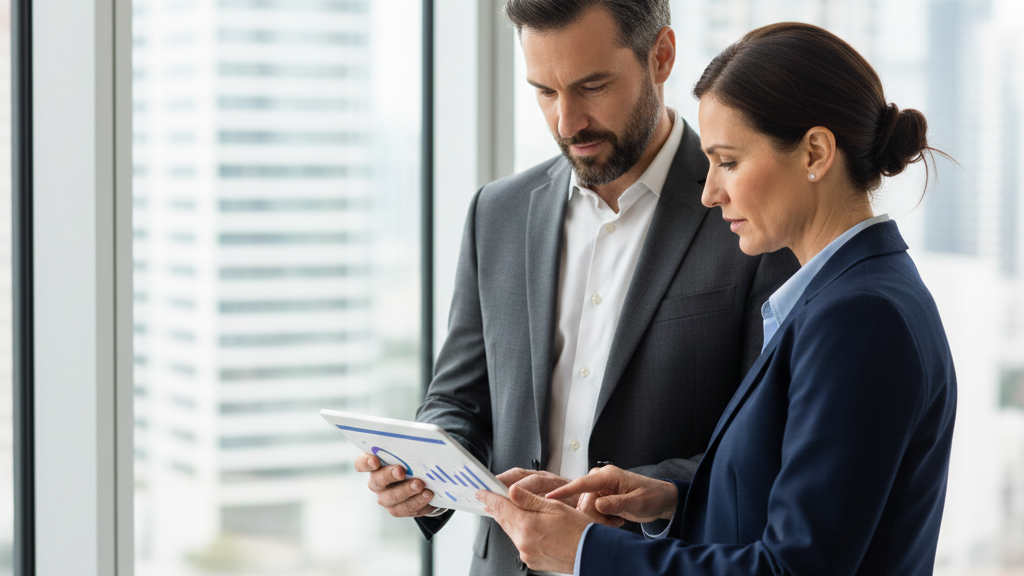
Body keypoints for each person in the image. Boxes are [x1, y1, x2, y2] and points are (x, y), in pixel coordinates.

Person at [477, 22, 958, 576]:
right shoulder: (843, 296)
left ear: (816, 153)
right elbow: (796, 506)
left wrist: (586, 552)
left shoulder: (858, 315)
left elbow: (793, 569)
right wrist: (671, 497)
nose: (709, 192)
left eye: (728, 161)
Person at [354, 2, 799, 575]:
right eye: (544, 91)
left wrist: (643, 499)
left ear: (660, 57)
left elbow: (764, 447)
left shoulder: (750, 215)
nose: (567, 122)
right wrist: (420, 471)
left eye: (592, 86)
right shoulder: (497, 213)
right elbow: (460, 398)